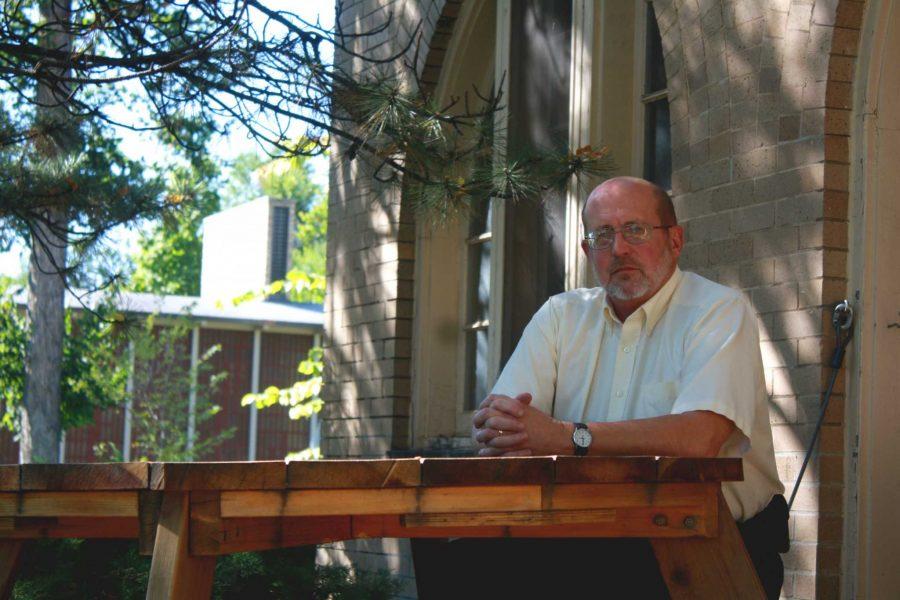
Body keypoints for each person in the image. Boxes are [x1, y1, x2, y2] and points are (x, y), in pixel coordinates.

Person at [468, 176, 788, 599]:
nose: (618, 248)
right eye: (602, 236)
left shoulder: (718, 311)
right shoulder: (560, 316)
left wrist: (567, 436)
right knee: (463, 565)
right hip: (582, 542)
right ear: (587, 252)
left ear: (675, 240)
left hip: (709, 547)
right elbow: (505, 424)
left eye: (635, 230)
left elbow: (698, 438)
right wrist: (498, 428)